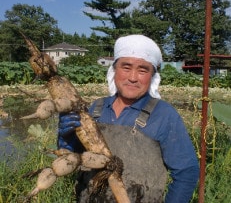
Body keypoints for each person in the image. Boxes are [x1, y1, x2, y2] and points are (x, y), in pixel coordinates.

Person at [58, 35, 199, 203]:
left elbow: (186, 173)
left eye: (142, 70)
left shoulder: (164, 115)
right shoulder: (95, 109)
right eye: (126, 67)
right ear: (114, 69)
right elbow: (75, 159)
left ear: (152, 76)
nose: (133, 77)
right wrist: (66, 139)